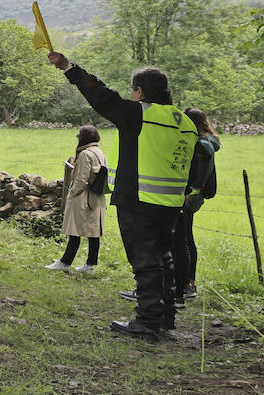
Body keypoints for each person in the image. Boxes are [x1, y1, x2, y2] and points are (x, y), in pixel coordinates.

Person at [47, 52, 197, 340]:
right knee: (164, 258)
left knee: (145, 261)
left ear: (140, 91)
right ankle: (165, 316)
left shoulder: (139, 113)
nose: (130, 95)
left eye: (132, 90)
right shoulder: (185, 122)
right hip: (172, 204)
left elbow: (100, 94)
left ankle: (148, 321)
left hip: (139, 200)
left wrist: (68, 67)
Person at [173, 108, 220, 305]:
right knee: (186, 238)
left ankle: (185, 284)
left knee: (183, 240)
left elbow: (198, 172)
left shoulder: (201, 144)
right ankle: (188, 282)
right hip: (194, 195)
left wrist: (192, 192)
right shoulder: (208, 140)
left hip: (189, 196)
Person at [46, 124, 108, 274]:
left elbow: (81, 179)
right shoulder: (99, 152)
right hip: (97, 197)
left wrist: (72, 194)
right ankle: (89, 265)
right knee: (94, 232)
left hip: (83, 197)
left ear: (84, 137)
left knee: (74, 229)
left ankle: (65, 262)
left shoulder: (86, 154)